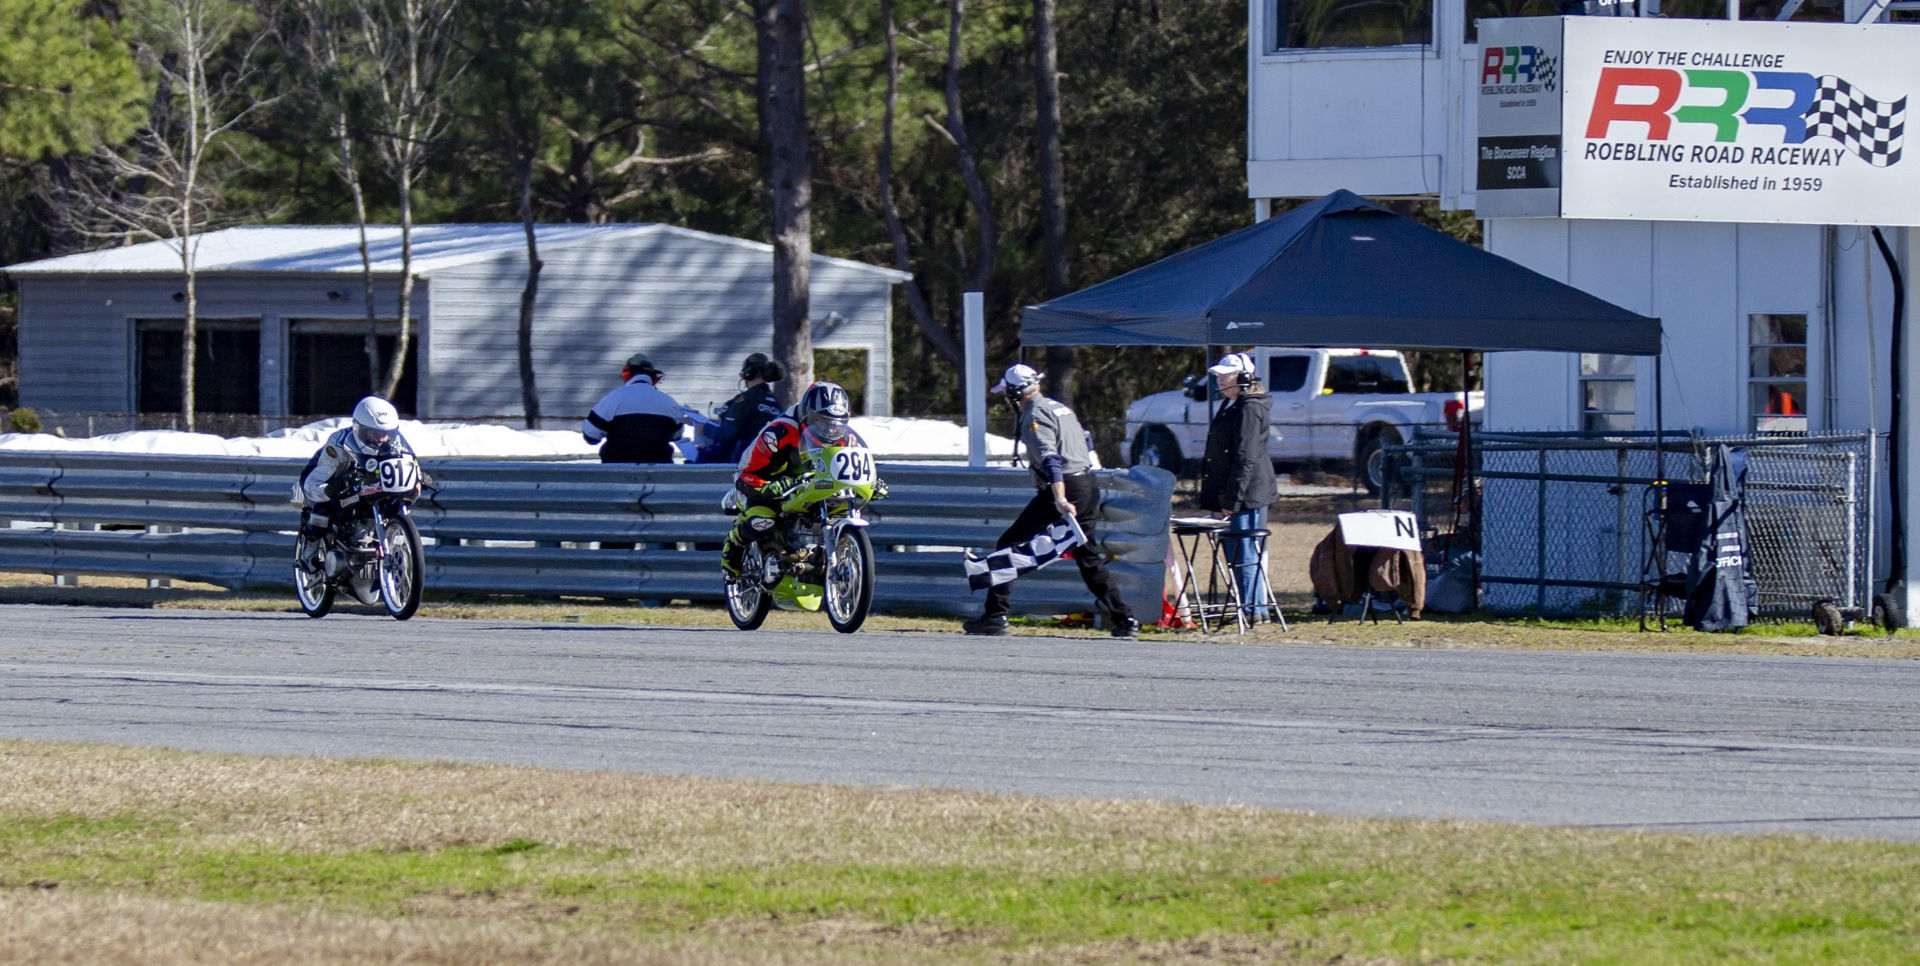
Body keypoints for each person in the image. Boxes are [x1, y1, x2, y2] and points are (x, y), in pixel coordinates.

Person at [963, 363, 1139, 639]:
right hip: (1087, 483)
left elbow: (1050, 459)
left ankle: (995, 615)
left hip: (1064, 488)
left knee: (1009, 542)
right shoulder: (1060, 408)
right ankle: (1125, 619)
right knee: (1088, 557)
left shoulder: (1035, 414)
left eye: (1007, 394)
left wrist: (1059, 497)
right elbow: (1087, 442)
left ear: (1015, 393)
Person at [721, 381, 886, 577]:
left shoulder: (845, 435)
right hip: (762, 475)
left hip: (811, 480)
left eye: (837, 422)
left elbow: (854, 462)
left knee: (841, 504)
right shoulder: (779, 433)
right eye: (823, 421)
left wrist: (871, 482)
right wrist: (770, 486)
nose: (831, 429)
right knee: (762, 520)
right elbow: (748, 475)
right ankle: (733, 548)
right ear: (808, 415)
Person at [1198, 351, 1278, 622]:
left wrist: (1233, 499)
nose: (1220, 380)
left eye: (1226, 375)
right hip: (1230, 491)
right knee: (1234, 551)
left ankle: (1253, 609)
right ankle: (1250, 606)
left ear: (1243, 377)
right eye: (1218, 375)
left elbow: (1247, 457)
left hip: (1246, 494)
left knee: (1243, 550)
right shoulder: (1231, 404)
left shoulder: (1250, 407)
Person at [295, 395, 417, 566]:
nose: (380, 439)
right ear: (358, 428)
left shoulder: (396, 443)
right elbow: (311, 484)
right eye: (373, 433)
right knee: (321, 510)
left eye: (385, 434)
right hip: (330, 479)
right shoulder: (338, 444)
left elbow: (410, 462)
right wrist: (329, 489)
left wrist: (419, 476)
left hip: (369, 486)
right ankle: (309, 554)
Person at [581, 351, 690, 464]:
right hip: (658, 474)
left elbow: (590, 435)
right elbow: (676, 436)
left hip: (616, 472)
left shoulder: (613, 399)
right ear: (654, 379)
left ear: (627, 374)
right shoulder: (669, 403)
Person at [697, 351, 786, 464]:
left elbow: (727, 433)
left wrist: (706, 428)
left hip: (744, 462)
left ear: (748, 374)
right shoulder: (775, 402)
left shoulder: (745, 399)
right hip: (769, 461)